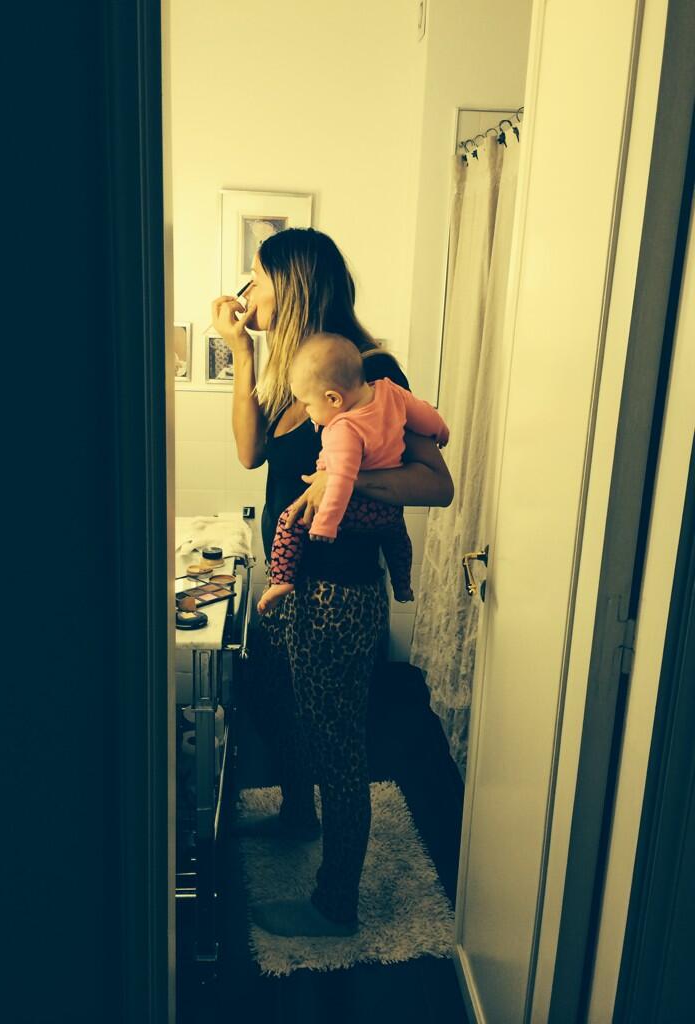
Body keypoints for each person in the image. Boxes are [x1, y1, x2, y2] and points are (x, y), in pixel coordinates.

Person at [211, 227, 453, 938]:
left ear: (292, 285)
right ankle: (296, 813)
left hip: (340, 594)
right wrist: (242, 352)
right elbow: (250, 453)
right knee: (270, 700)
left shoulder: (371, 373)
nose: (248, 289)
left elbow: (435, 483)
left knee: (337, 745)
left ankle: (335, 905)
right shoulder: (296, 371)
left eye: (258, 277)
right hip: (289, 582)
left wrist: (341, 482)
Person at [257, 332, 450, 615]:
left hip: (355, 511)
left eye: (308, 404)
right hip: (387, 510)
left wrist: (325, 523)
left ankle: (281, 580)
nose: (308, 413)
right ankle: (402, 584)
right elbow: (423, 413)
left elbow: (341, 481)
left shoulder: (344, 429)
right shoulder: (389, 391)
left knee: (290, 520)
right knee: (396, 537)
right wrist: (441, 430)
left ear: (333, 398)